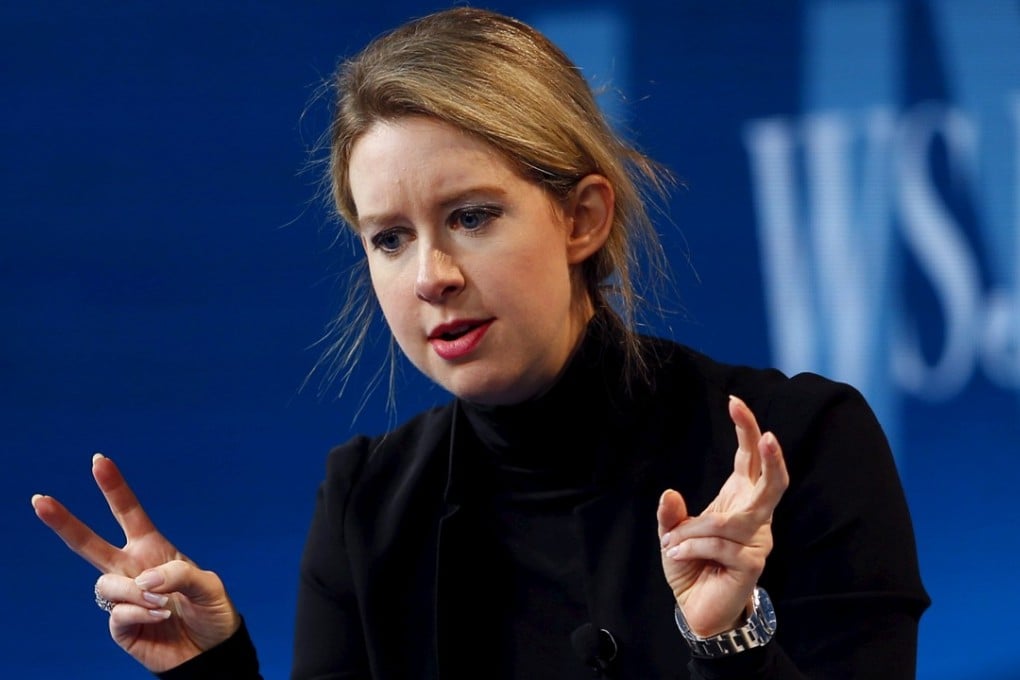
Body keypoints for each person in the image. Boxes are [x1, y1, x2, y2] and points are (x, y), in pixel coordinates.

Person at [31, 7, 929, 679]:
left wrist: (728, 640)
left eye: (470, 217)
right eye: (390, 238)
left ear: (581, 218)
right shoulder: (366, 505)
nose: (431, 276)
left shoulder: (801, 443)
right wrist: (209, 669)